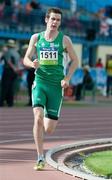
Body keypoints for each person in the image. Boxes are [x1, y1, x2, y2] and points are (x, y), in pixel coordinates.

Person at [23, 7, 79, 170]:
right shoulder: (36, 38)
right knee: (38, 118)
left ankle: (49, 117)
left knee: (49, 129)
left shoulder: (64, 40)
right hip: (40, 82)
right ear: (46, 20)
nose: (55, 22)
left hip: (56, 86)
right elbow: (26, 58)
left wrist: (67, 78)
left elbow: (75, 61)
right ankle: (40, 157)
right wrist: (31, 63)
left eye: (58, 20)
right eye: (53, 19)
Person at [0, 39, 20, 107]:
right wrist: (16, 69)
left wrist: (14, 68)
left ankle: (1, 102)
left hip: (8, 70)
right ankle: (10, 102)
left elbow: (8, 61)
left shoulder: (7, 52)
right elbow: (18, 62)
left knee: (5, 87)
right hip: (14, 72)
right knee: (11, 87)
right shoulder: (16, 53)